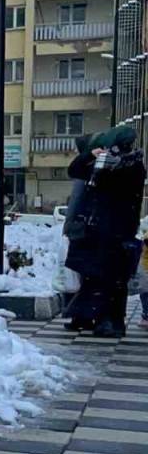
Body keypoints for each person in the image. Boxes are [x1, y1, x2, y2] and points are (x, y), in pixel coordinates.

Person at [63, 126, 146, 337]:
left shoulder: (131, 166)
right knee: (96, 277)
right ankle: (91, 317)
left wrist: (105, 166)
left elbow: (112, 188)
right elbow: (75, 171)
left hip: (117, 232)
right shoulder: (111, 164)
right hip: (99, 231)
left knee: (113, 281)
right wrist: (91, 157)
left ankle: (110, 322)